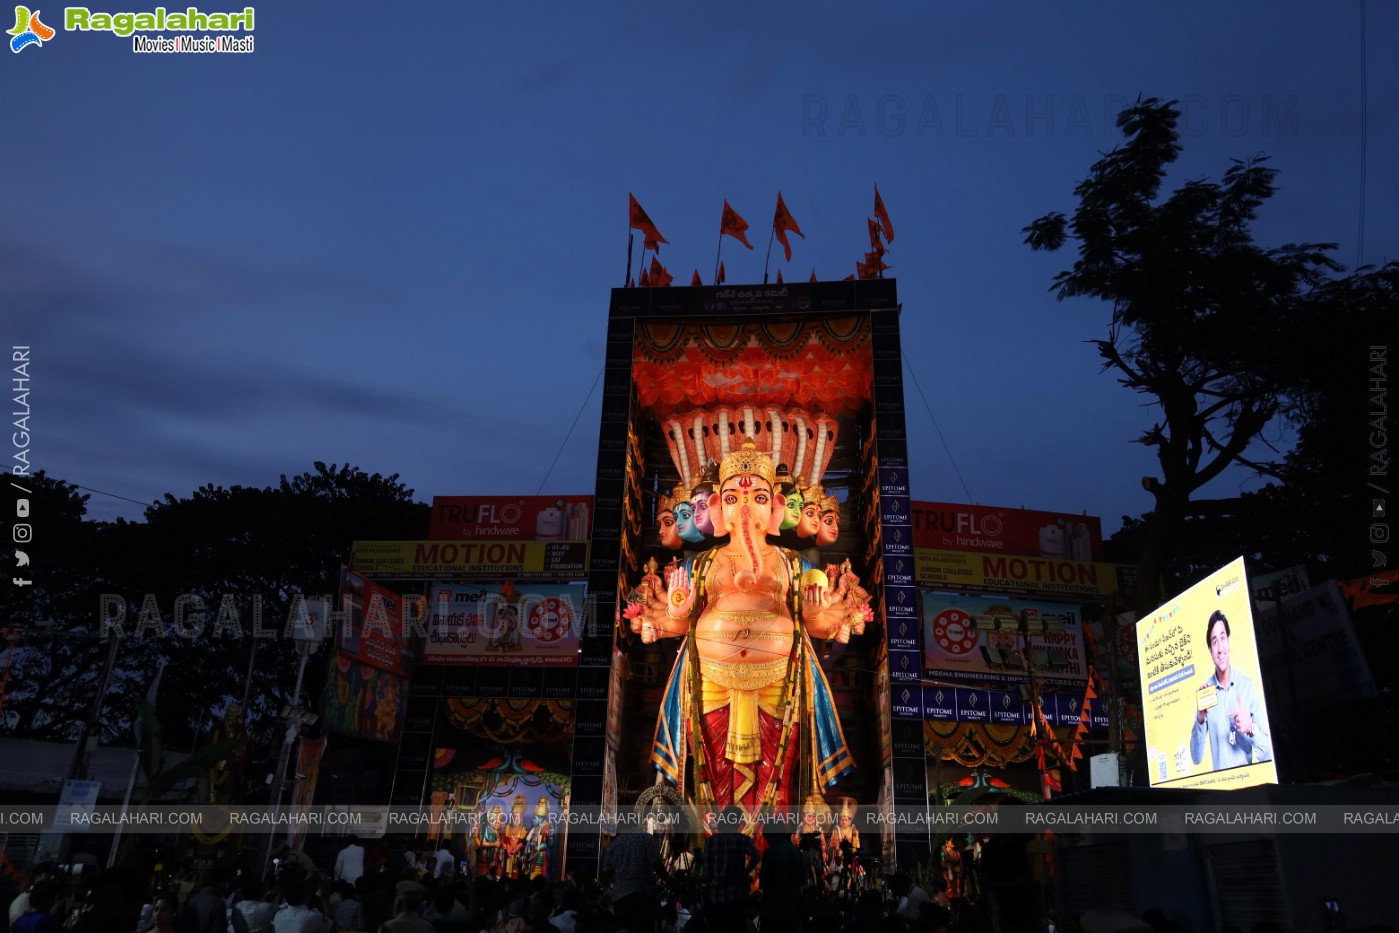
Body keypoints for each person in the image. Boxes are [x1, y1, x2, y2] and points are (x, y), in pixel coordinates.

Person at [629, 440, 869, 810]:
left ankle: (772, 851)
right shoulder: (700, 565)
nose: (743, 507)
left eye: (757, 498)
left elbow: (822, 627)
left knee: (778, 780)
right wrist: (679, 612)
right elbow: (674, 624)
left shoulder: (793, 564)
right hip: (711, 685)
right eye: (731, 499)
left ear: (775, 508)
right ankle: (713, 852)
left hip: (778, 688)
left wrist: (815, 613)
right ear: (717, 510)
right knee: (711, 778)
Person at [1190, 610, 1272, 771]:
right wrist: (1200, 720)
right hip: (1220, 790)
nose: (1220, 648)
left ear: (1229, 642)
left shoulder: (1247, 686)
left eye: (1222, 638)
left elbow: (1268, 754)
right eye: (1214, 642)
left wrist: (1251, 728)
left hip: (1250, 785)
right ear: (1210, 651)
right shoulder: (1206, 693)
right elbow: (1195, 757)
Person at [701, 808, 759, 930]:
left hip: (716, 898)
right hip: (737, 897)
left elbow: (706, 873)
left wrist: (707, 891)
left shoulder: (711, 841)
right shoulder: (742, 839)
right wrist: (745, 873)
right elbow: (756, 855)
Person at [601, 828, 665, 933]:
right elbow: (658, 867)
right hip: (644, 897)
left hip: (621, 898)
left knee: (623, 929)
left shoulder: (614, 845)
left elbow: (607, 871)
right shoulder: (646, 839)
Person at [757, 824, 802, 933]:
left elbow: (764, 882)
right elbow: (802, 880)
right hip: (792, 909)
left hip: (772, 911)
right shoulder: (796, 852)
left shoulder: (770, 853)